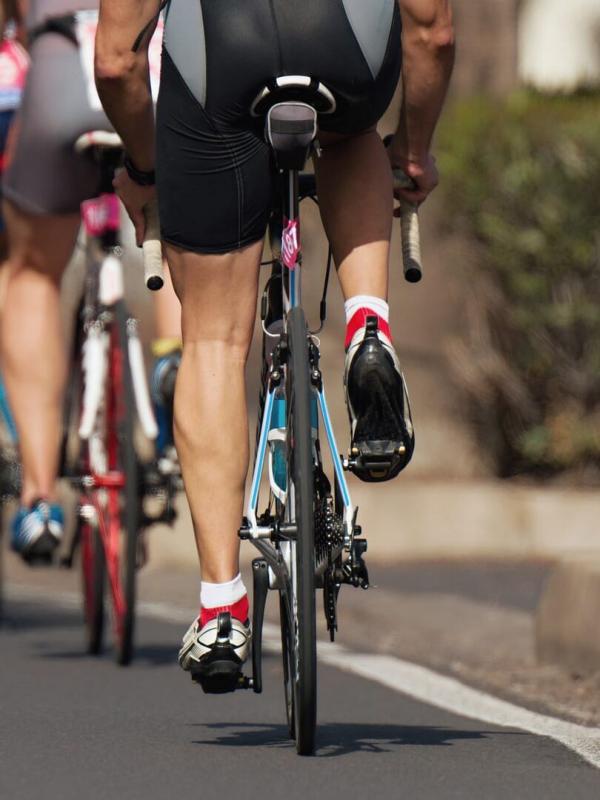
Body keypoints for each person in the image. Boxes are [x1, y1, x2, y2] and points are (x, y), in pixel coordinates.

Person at [95, 0, 455, 684]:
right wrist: (412, 150)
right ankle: (368, 325)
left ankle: (221, 607)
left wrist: (148, 174)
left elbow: (116, 61)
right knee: (351, 131)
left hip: (221, 57)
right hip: (344, 43)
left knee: (212, 345)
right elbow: (431, 24)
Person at [1, 0, 181, 562]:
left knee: (32, 274)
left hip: (59, 69)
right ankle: (172, 362)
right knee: (189, 243)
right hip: (151, 68)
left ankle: (38, 496)